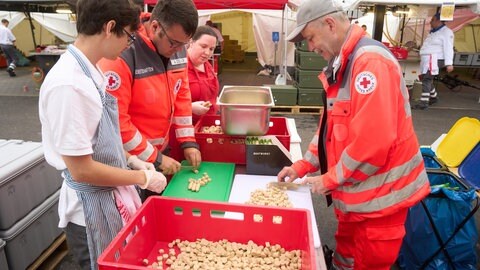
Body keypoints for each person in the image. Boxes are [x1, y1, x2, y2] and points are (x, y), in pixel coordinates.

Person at [278, 0, 430, 269]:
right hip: (356, 197)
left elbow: (373, 144)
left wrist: (328, 179)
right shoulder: (343, 63)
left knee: (369, 261)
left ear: (330, 24)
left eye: (310, 38)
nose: (311, 47)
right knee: (345, 257)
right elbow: (329, 132)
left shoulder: (369, 64)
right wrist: (302, 166)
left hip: (381, 200)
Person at [38, 0, 167, 269]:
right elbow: (82, 170)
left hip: (107, 201)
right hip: (89, 214)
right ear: (110, 28)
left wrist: (130, 158)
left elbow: (98, 138)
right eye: (130, 36)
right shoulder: (69, 84)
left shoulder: (92, 70)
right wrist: (142, 177)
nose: (129, 45)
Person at [98, 0, 201, 177]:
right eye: (174, 43)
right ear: (155, 27)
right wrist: (155, 157)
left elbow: (182, 95)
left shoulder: (178, 46)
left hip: (160, 152)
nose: (178, 50)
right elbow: (116, 121)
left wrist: (188, 141)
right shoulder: (122, 53)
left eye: (184, 44)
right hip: (130, 161)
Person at [413, 12, 454, 110]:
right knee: (425, 78)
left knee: (426, 79)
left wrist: (449, 63)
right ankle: (434, 97)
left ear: (438, 21)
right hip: (428, 58)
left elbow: (448, 48)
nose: (430, 22)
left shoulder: (447, 32)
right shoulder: (433, 32)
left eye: (432, 20)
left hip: (435, 58)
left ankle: (424, 103)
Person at [188, 25, 220, 124]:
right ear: (191, 42)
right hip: (188, 127)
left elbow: (212, 94)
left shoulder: (208, 66)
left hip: (208, 124)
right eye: (203, 46)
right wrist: (190, 107)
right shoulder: (179, 68)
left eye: (211, 49)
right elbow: (165, 104)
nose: (207, 53)